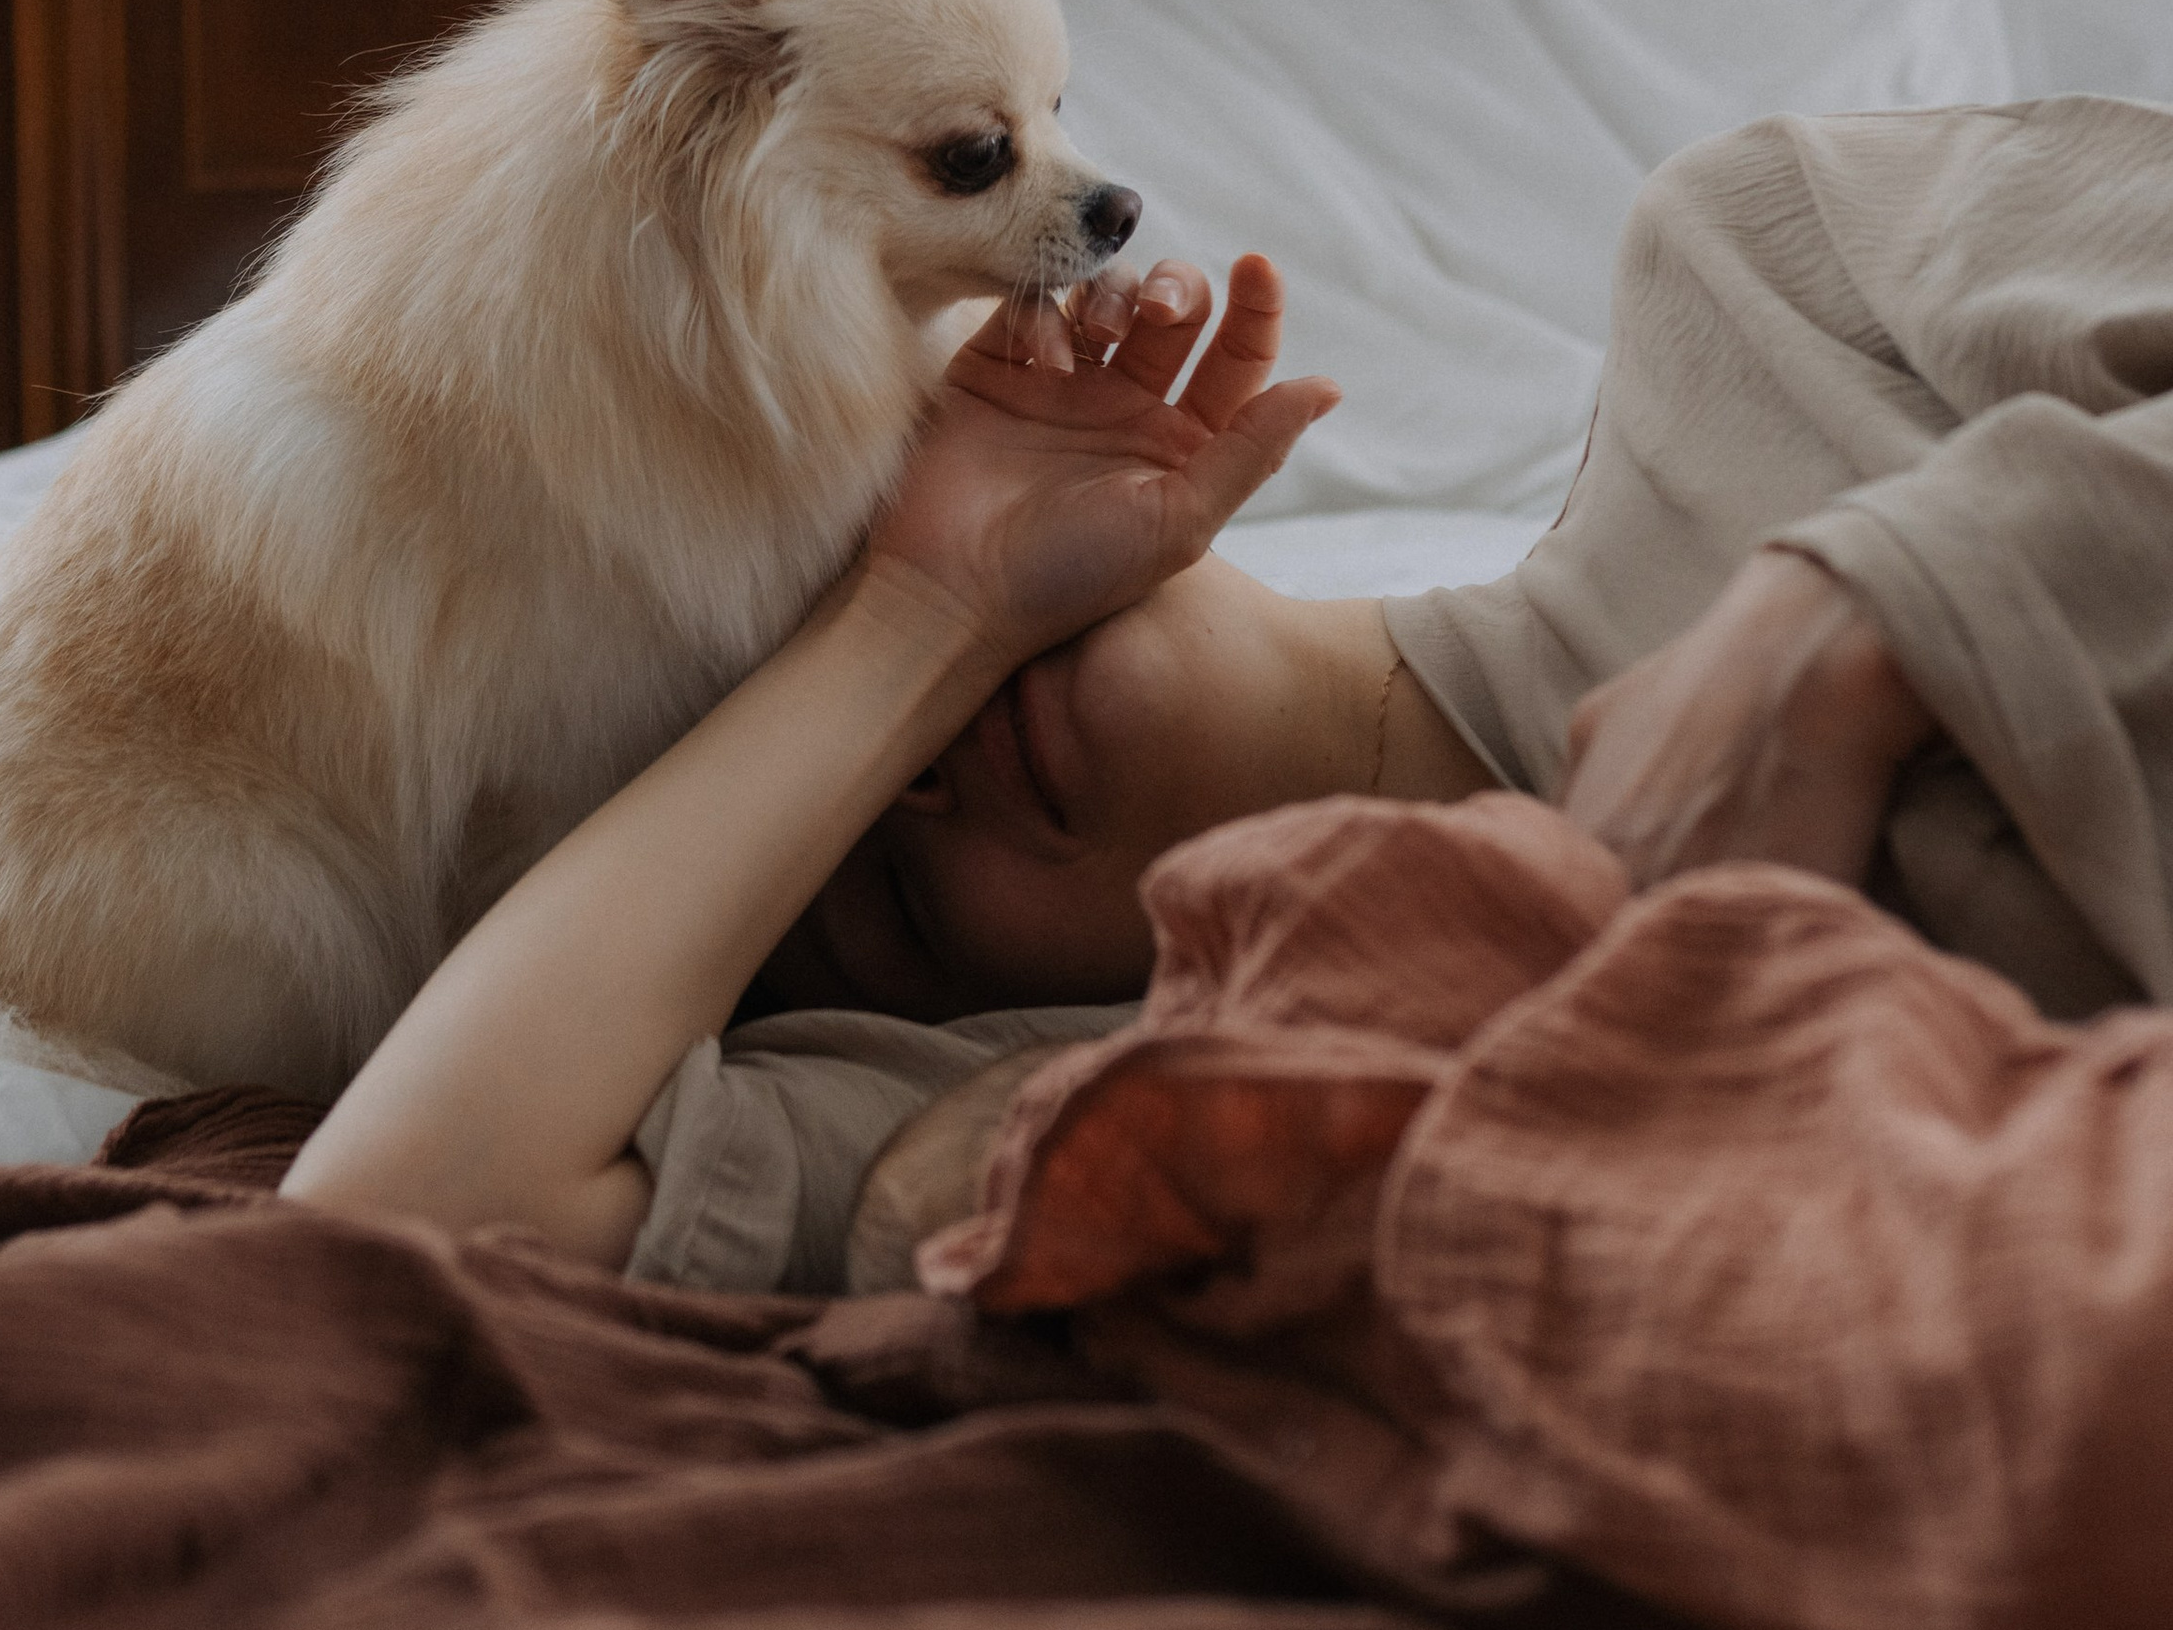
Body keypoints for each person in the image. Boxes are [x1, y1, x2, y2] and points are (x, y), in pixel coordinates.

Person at [285, 97, 2173, 1282]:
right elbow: (404, 1206)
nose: (916, 783)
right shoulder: (1161, 1093)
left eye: (829, 582)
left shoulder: (1764, 284)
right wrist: (921, 610)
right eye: (871, 883)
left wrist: (1853, 617)